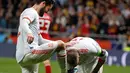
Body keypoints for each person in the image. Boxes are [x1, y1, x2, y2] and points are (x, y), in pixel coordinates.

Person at [16, 0, 67, 73]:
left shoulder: (31, 15)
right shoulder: (31, 12)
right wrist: (29, 32)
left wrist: (63, 44)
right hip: (29, 53)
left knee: (62, 44)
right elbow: (24, 22)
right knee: (61, 44)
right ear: (43, 3)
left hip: (21, 57)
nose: (47, 12)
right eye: (48, 9)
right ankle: (66, 71)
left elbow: (41, 40)